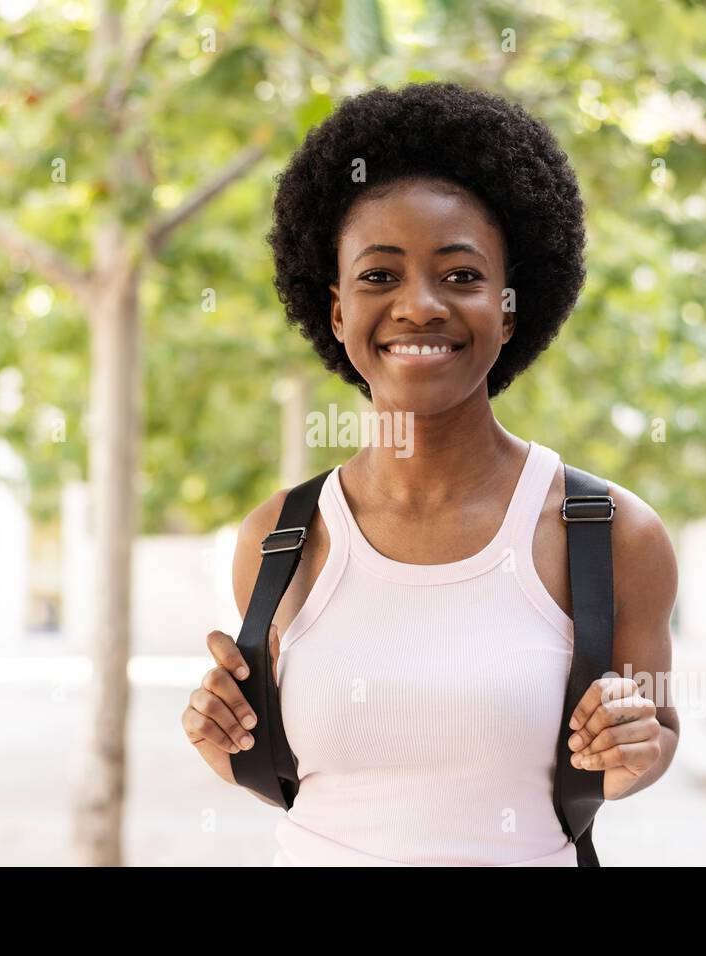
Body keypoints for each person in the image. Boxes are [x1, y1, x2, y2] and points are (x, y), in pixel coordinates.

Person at [181, 81, 679, 866]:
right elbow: (312, 779)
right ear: (337, 310)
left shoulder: (614, 535)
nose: (420, 306)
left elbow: (654, 736)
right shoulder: (279, 538)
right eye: (380, 276)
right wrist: (231, 746)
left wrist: (634, 748)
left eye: (461, 276)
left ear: (509, 308)